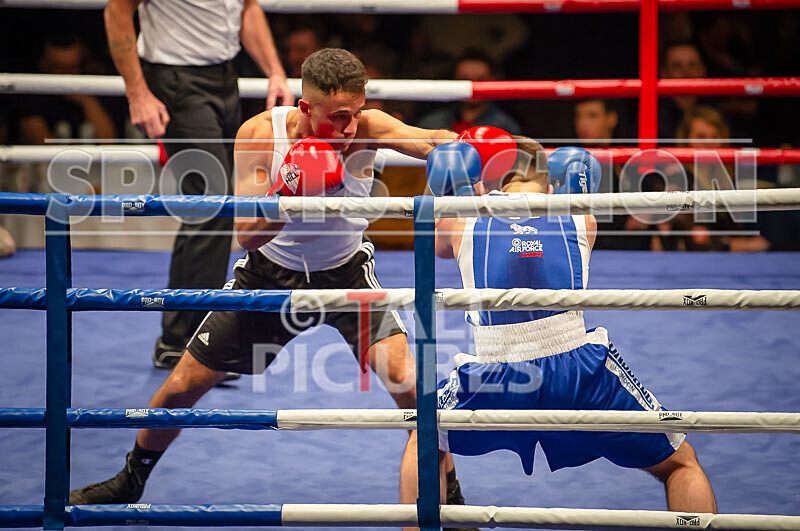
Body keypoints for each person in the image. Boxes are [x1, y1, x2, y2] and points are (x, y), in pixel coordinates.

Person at [68, 50, 479, 527]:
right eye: (338, 117)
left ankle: (451, 490)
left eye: (355, 113)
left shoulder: (368, 126)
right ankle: (129, 480)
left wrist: (477, 149)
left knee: (412, 387)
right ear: (306, 108)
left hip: (346, 273)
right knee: (183, 385)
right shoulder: (262, 134)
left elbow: (432, 141)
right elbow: (246, 232)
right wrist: (290, 188)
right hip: (268, 274)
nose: (349, 128)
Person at [399, 142, 717, 526]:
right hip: (579, 370)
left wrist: (458, 191)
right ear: (552, 186)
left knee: (424, 441)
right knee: (682, 465)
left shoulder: (464, 218)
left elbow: (438, 247)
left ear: (495, 183)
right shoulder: (581, 217)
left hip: (496, 376)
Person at [103, 0, 295, 371]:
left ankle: (177, 341)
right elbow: (117, 10)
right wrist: (137, 92)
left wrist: (274, 71)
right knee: (215, 204)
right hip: (174, 79)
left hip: (225, 77)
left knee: (207, 207)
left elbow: (247, 8)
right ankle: (195, 346)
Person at [18, 33, 117, 144]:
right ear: (44, 65)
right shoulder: (30, 96)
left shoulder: (93, 90)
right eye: (59, 68)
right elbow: (44, 147)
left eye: (72, 68)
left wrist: (86, 101)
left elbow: (108, 140)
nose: (67, 75)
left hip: (88, 159)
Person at [417, 49, 521, 135]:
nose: (472, 86)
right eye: (465, 80)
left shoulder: (506, 128)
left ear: (493, 81)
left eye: (481, 80)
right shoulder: (430, 123)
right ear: (454, 80)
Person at [658, 43, 708, 140]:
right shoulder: (653, 114)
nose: (686, 72)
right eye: (677, 66)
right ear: (663, 72)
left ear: (703, 70)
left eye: (692, 65)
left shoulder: (713, 110)